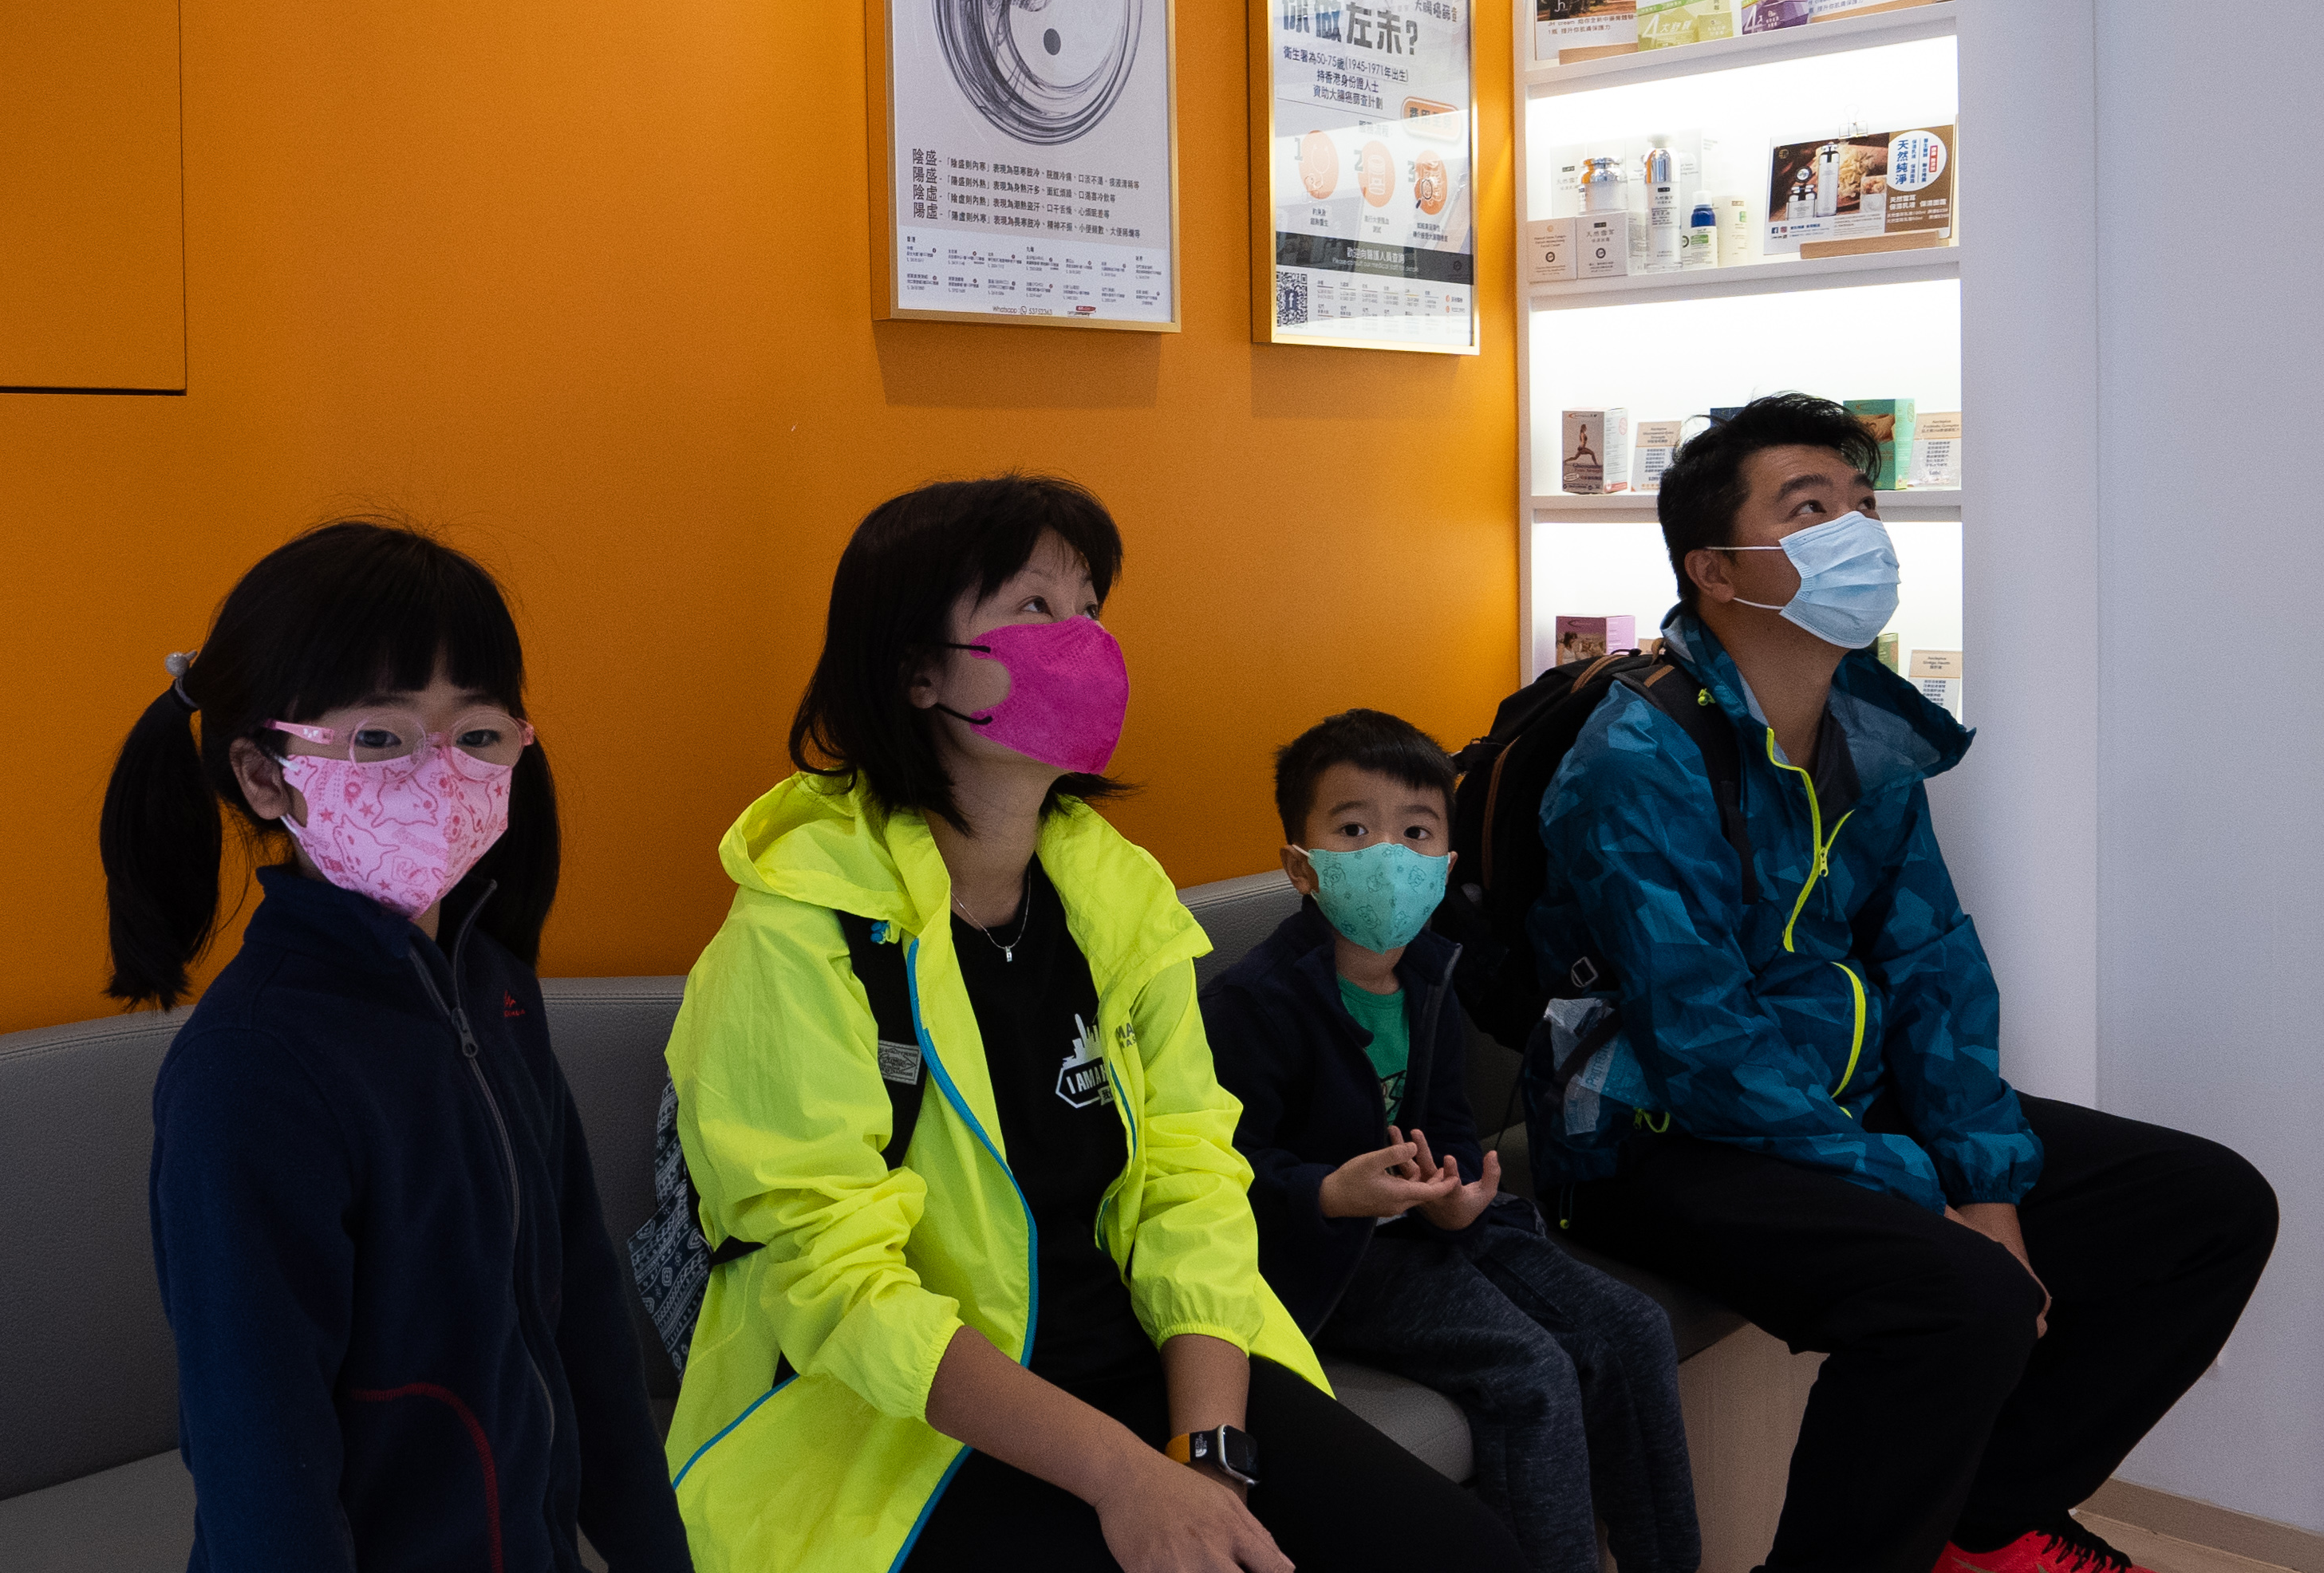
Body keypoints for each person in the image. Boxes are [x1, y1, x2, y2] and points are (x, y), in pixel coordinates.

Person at [663, 474, 1522, 1573]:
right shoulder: (795, 932)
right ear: (917, 670)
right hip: (903, 1417)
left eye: (1090, 608)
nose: (1084, 642)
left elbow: (1186, 1179)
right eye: (1034, 606)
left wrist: (1206, 1454)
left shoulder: (1114, 898)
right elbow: (830, 1280)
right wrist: (1125, 1478)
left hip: (1145, 1358)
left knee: (1466, 1553)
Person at [1529, 394, 2278, 1573]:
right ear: (1713, 569)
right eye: (1807, 507)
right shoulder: (1634, 757)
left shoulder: (1863, 734)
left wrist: (1984, 1182)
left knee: (2206, 1205)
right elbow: (1704, 1040)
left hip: (1831, 1109)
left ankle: (1981, 1521)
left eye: (1861, 503)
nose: (1857, 532)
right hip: (1654, 1141)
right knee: (1961, 1298)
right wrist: (1915, 1188)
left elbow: (1932, 963)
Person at [102, 522, 689, 1573]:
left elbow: (585, 1322)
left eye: (477, 731)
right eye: (381, 736)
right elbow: (260, 1463)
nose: (441, 771)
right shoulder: (252, 1065)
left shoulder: (493, 986)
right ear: (265, 774)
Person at [1203, 710, 1697, 1573]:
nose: (1387, 855)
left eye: (1415, 832)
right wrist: (1327, 1192)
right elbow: (1218, 1173)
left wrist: (1462, 1190)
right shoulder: (1255, 1000)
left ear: (1443, 865)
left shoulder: (1431, 972)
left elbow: (1448, 1124)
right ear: (1301, 864)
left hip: (1435, 1230)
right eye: (1352, 829)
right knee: (1529, 1371)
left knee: (1633, 1327)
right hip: (1332, 1257)